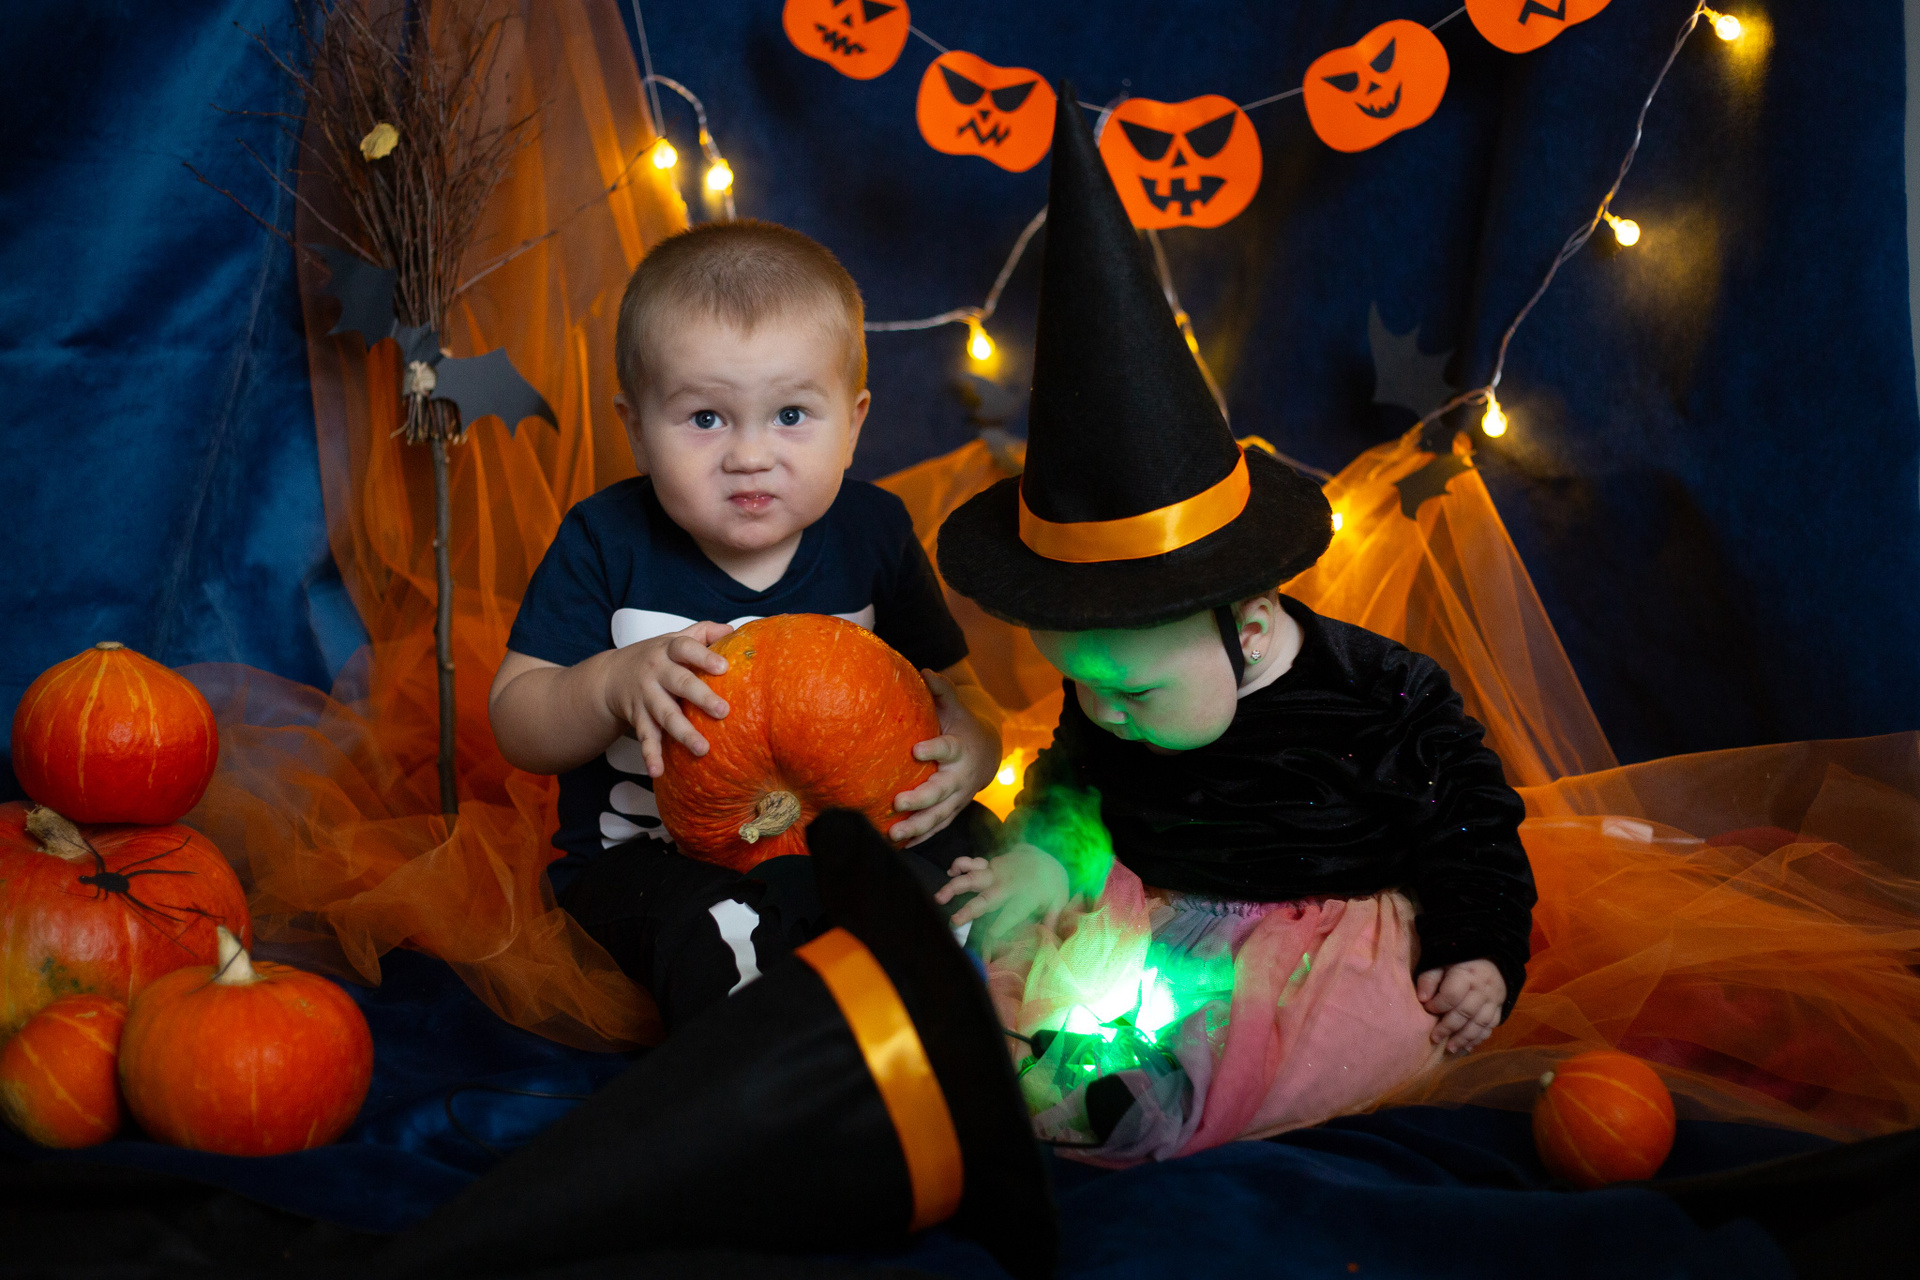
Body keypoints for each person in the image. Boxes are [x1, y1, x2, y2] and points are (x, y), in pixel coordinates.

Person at [929, 91, 1533, 1163]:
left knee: (1360, 1024)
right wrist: (1045, 861)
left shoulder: (1380, 694)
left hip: (1316, 932)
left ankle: (1162, 1098)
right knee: (1021, 959)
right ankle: (1062, 1075)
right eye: (1084, 684)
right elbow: (1070, 781)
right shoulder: (1108, 699)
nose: (1104, 713)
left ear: (1249, 631)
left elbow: (1469, 823)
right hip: (1149, 908)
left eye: (1135, 692)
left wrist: (1478, 949)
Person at [489, 220, 1001, 1031]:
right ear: (636, 428)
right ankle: (775, 1063)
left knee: (981, 858)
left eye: (791, 414)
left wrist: (974, 750)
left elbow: (957, 691)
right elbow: (516, 718)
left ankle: (958, 1031)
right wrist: (611, 685)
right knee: (710, 930)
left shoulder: (873, 535)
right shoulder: (606, 541)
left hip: (850, 832)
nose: (750, 455)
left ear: (854, 423)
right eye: (705, 419)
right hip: (650, 858)